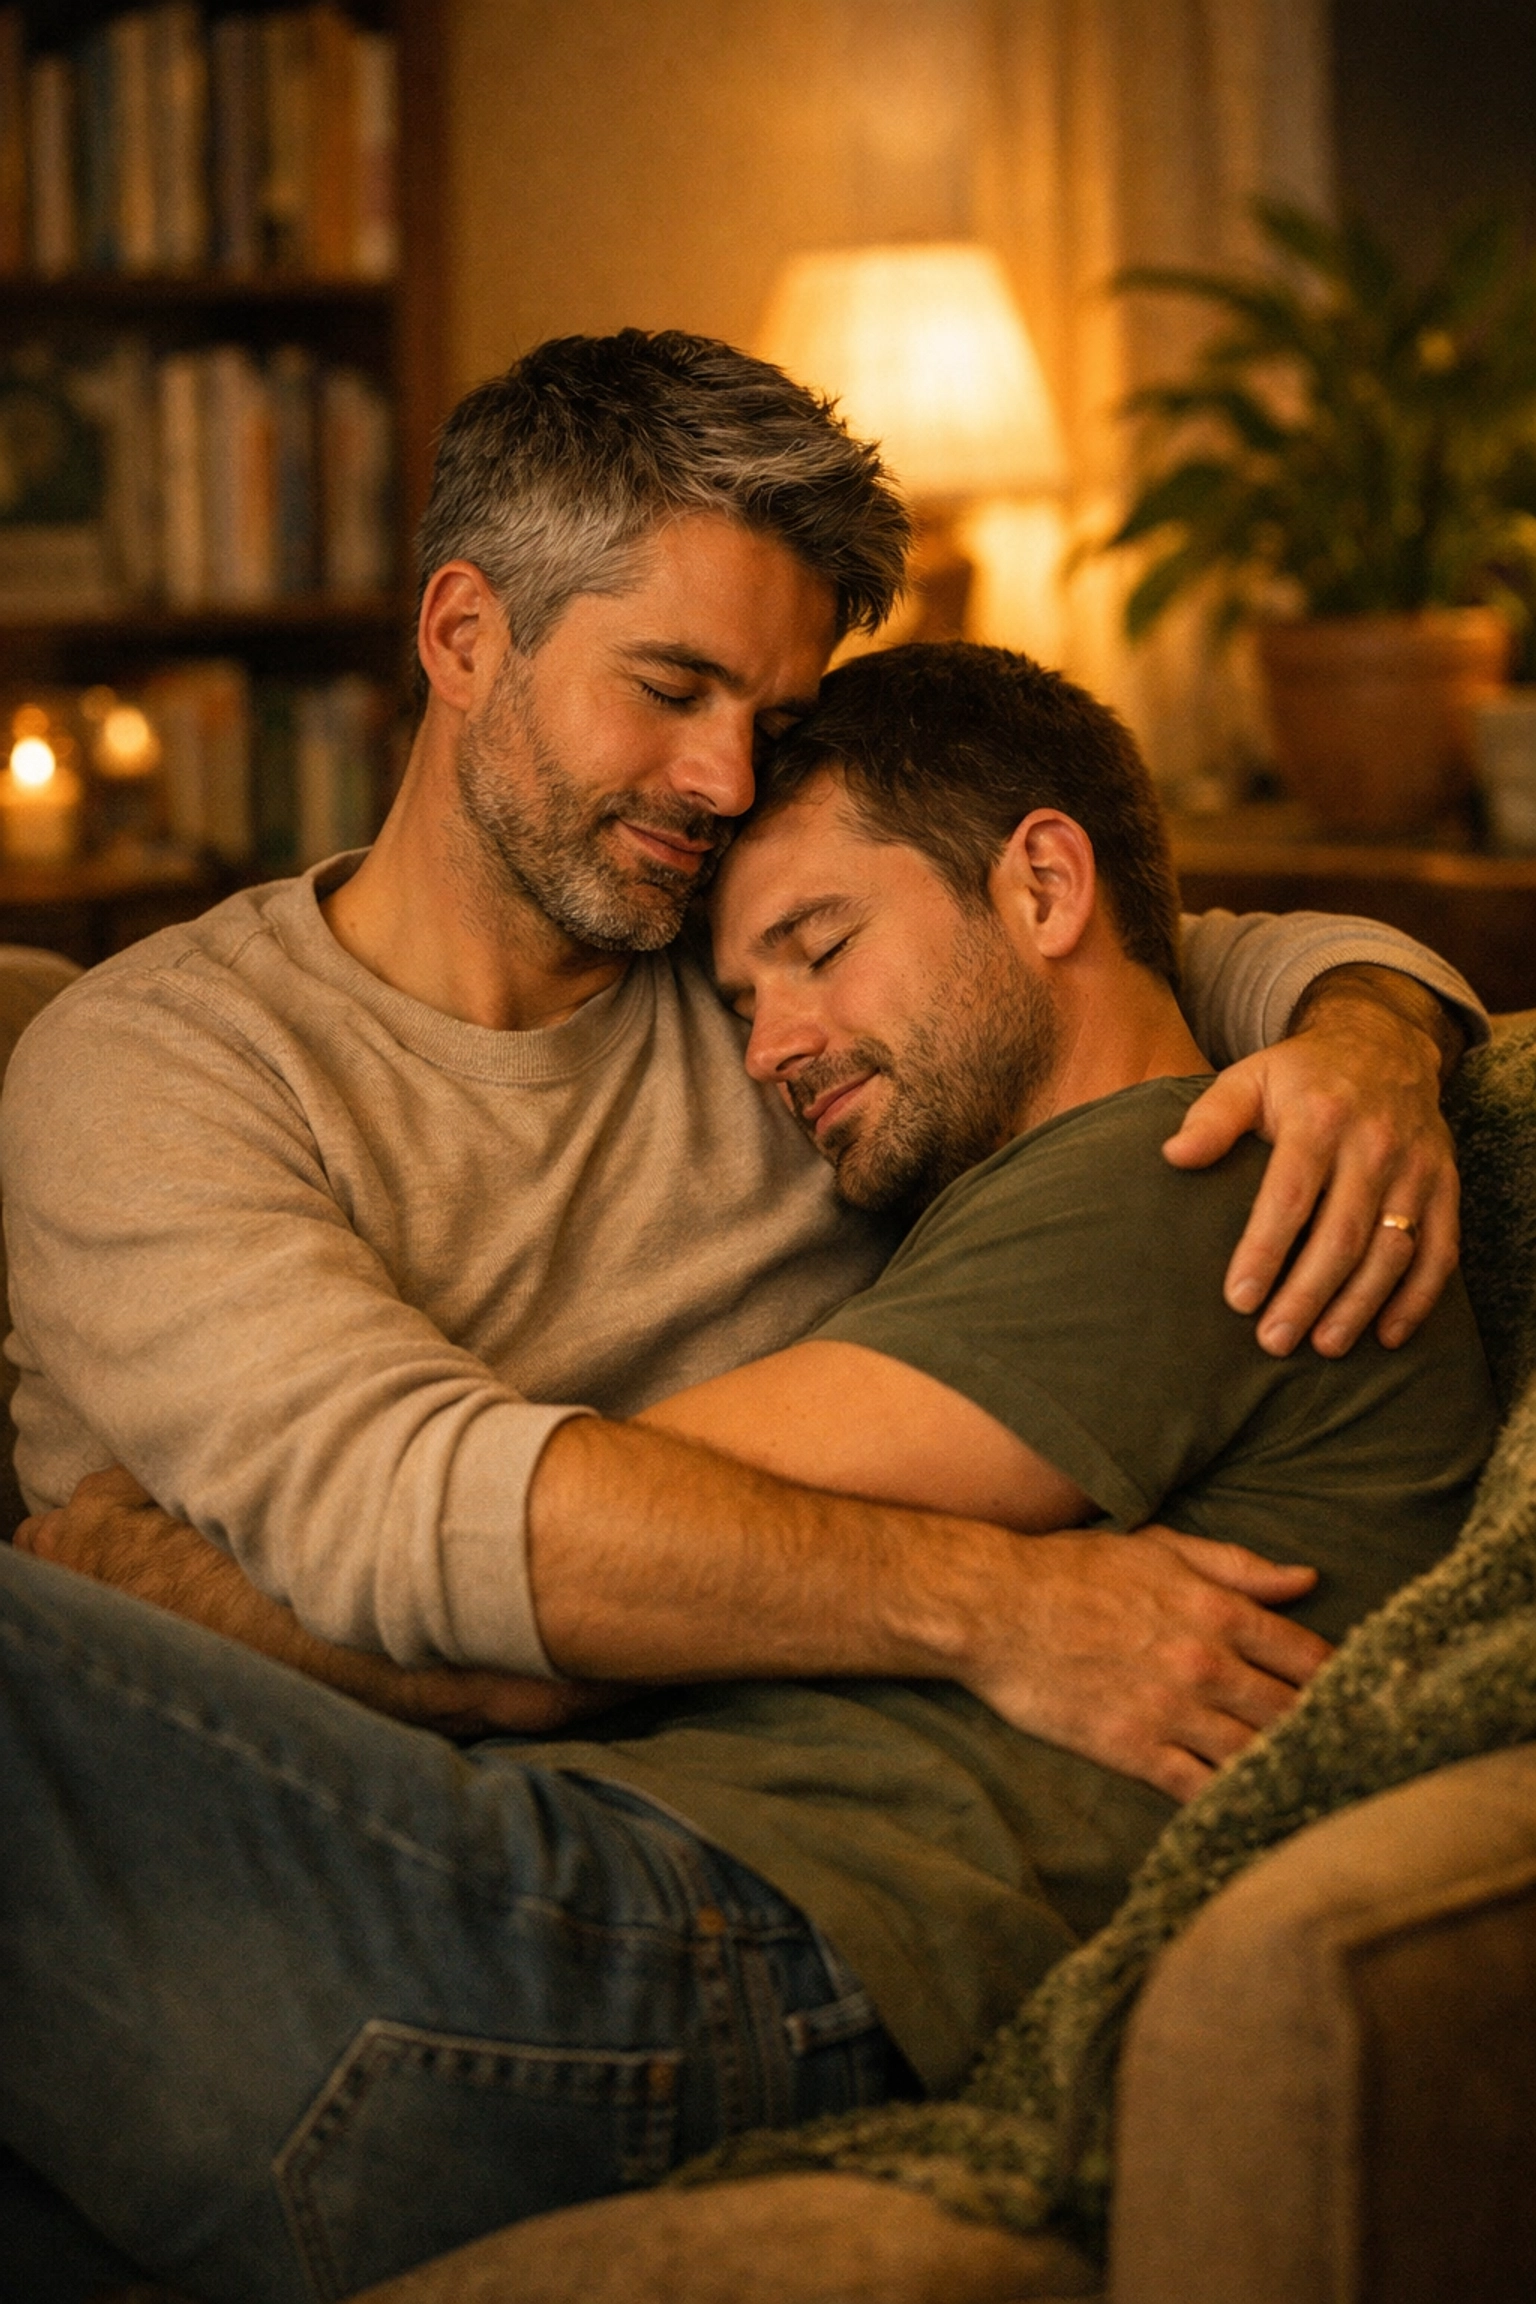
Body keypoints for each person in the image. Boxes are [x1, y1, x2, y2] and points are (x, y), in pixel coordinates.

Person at [0, 338, 1490, 2302]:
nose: (721, 780)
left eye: (769, 720)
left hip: (628, 1895)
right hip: (368, 1842)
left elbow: (1136, 949)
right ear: (466, 632)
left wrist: (1381, 1033)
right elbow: (448, 1542)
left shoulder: (783, 1013)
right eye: (673, 688)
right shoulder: (170, 1068)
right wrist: (999, 1602)